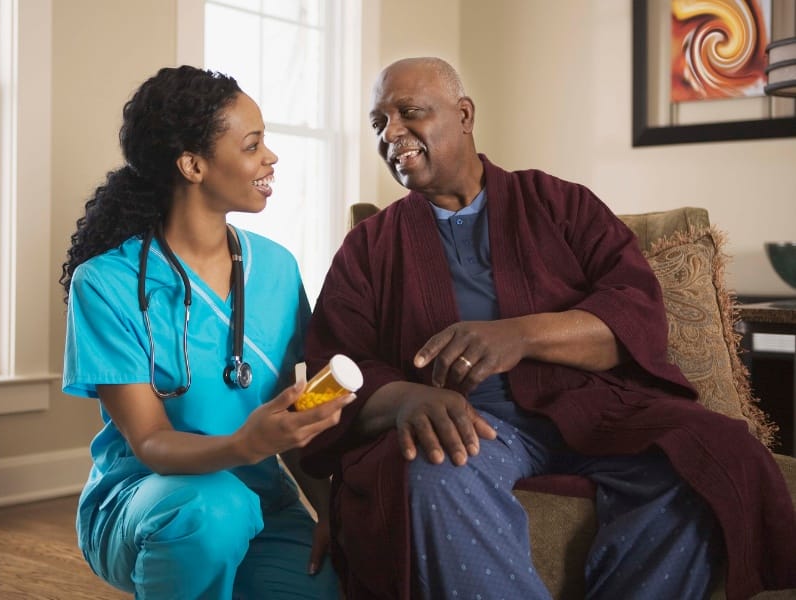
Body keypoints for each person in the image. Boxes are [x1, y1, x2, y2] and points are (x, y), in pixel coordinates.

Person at [300, 57, 796, 600]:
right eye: (379, 123)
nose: (391, 133)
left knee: (707, 457)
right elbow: (335, 368)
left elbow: (636, 313)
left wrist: (521, 335)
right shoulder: (370, 247)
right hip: (471, 423)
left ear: (464, 115)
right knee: (433, 470)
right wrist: (403, 400)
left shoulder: (563, 205)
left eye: (409, 112)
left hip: (593, 407)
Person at [59, 65, 351, 600]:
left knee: (324, 586)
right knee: (215, 512)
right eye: (252, 145)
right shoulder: (105, 283)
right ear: (193, 165)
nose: (271, 157)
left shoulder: (278, 269)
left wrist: (331, 509)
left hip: (263, 502)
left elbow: (294, 415)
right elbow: (148, 441)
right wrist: (244, 443)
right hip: (151, 502)